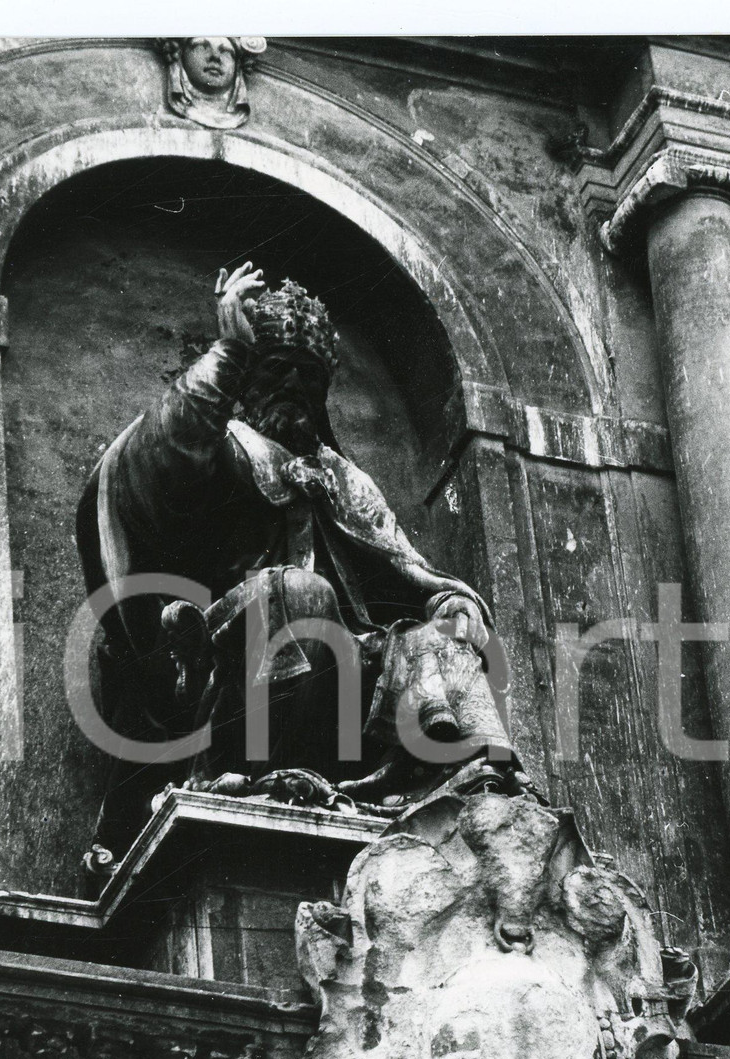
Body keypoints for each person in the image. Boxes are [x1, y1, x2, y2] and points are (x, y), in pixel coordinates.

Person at [76, 264, 513, 867]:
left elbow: (407, 570)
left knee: (432, 642)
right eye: (275, 368)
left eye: (308, 374)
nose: (292, 384)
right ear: (248, 376)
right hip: (217, 649)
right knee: (302, 594)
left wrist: (451, 605)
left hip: (341, 663)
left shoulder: (343, 479)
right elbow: (159, 458)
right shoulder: (222, 443)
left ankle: (479, 793)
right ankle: (259, 775)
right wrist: (229, 351)